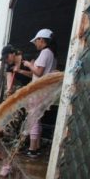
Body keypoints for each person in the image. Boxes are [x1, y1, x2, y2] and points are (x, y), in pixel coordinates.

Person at [22, 28, 57, 158]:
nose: (35, 44)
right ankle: (36, 147)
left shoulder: (45, 52)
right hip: (45, 91)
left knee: (33, 119)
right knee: (38, 119)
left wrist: (28, 64)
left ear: (41, 40)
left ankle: (32, 149)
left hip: (39, 91)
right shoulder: (52, 55)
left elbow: (38, 73)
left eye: (36, 41)